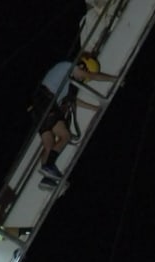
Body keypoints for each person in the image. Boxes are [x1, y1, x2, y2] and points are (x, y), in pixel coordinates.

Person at [29, 53, 118, 190]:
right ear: (83, 67)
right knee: (66, 135)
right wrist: (115, 79)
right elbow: (92, 76)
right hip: (47, 101)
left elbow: (72, 101)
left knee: (49, 144)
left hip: (38, 106)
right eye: (84, 76)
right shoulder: (67, 66)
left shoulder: (65, 83)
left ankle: (47, 178)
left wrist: (95, 108)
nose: (82, 79)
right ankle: (49, 165)